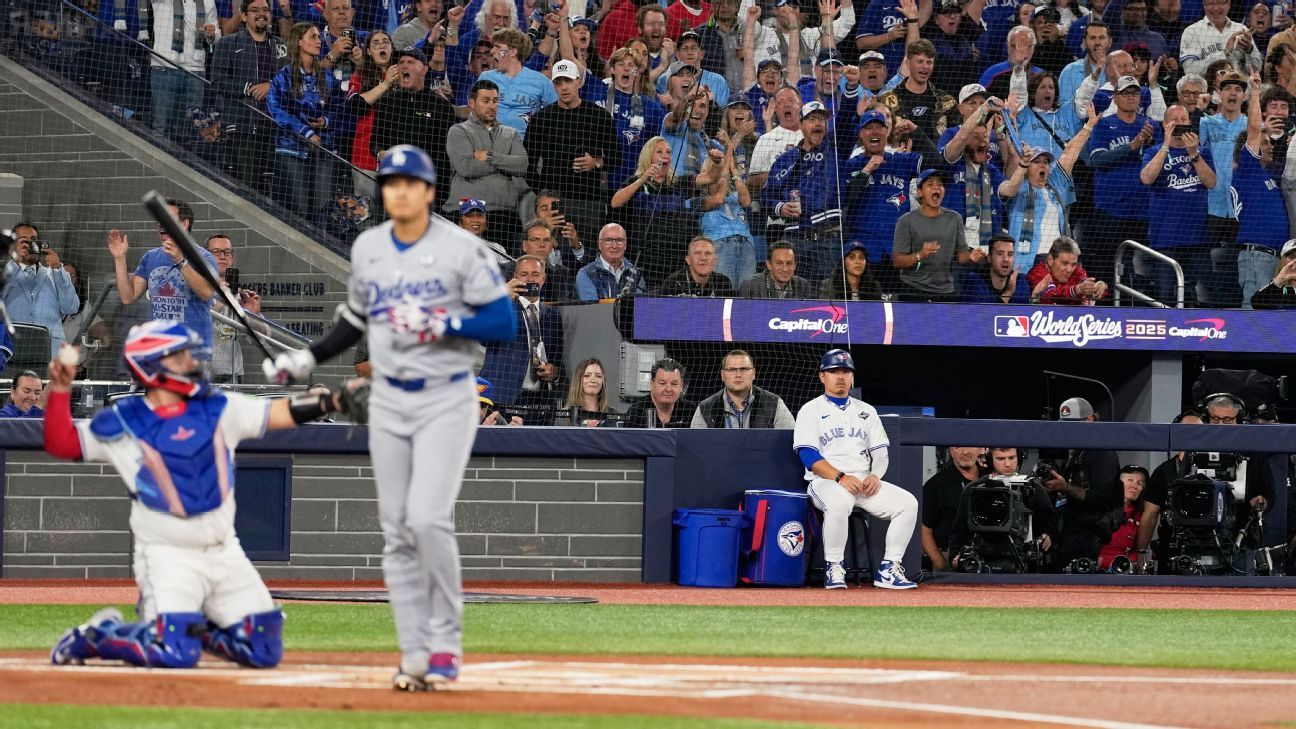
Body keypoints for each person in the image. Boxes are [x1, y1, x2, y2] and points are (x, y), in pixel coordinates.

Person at [263, 144, 516, 691]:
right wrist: (306, 357)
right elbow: (354, 319)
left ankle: (446, 641)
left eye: (410, 182)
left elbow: (502, 322)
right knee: (397, 531)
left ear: (429, 192)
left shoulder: (459, 248)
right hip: (389, 399)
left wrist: (437, 321)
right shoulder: (370, 246)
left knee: (427, 519)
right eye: (389, 183)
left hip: (447, 395)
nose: (399, 191)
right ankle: (415, 653)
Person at [45, 320, 360, 670]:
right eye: (178, 356)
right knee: (174, 654)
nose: (190, 363)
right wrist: (60, 390)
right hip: (168, 557)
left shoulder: (218, 406)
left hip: (225, 552)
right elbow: (62, 443)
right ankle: (98, 636)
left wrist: (336, 399)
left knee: (263, 650)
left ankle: (186, 630)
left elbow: (282, 411)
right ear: (152, 365)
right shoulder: (125, 421)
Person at [795, 349, 918, 590]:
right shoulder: (811, 410)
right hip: (826, 482)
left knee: (908, 503)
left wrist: (875, 475)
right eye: (833, 371)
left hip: (862, 482)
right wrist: (840, 477)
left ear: (852, 376)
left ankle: (889, 568)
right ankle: (834, 566)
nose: (840, 376)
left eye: (845, 371)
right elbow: (808, 456)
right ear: (822, 376)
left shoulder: (866, 411)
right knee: (839, 502)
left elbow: (881, 453)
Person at [107, 199, 219, 359]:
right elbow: (128, 296)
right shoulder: (151, 257)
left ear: (184, 224)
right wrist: (119, 258)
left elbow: (206, 293)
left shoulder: (204, 258)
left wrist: (181, 261)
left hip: (192, 353)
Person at [525, 59, 619, 244]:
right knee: (551, 254)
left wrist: (596, 163)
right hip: (553, 202)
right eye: (558, 82)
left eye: (567, 81)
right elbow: (528, 163)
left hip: (589, 201)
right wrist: (542, 193)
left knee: (587, 254)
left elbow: (617, 158)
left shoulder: (598, 116)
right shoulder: (541, 119)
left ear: (579, 81)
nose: (563, 87)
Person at [1084, 74, 1159, 284]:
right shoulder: (1103, 125)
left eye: (1135, 93)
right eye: (1125, 93)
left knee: (1141, 271)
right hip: (1111, 210)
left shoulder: (1151, 126)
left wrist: (1150, 143)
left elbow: (1161, 161)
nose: (1131, 97)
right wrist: (1132, 146)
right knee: (1108, 268)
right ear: (1115, 98)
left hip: (1143, 211)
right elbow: (1097, 160)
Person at [1138, 103, 1216, 304]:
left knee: (1203, 297)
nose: (1180, 124)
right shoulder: (1153, 151)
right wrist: (1165, 144)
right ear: (1165, 124)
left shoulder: (1203, 152)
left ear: (1190, 123)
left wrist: (1194, 153)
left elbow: (1211, 182)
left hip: (1198, 238)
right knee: (1165, 298)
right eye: (1175, 120)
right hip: (1165, 239)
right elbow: (1146, 178)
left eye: (1184, 120)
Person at [761, 101, 847, 283]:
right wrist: (780, 208)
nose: (818, 123)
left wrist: (851, 88)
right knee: (795, 295)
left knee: (827, 296)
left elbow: (847, 120)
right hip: (794, 239)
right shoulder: (785, 160)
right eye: (812, 119)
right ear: (800, 125)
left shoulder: (836, 150)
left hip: (828, 240)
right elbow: (766, 196)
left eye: (822, 119)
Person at [267, 22, 340, 228]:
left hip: (323, 148)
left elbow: (339, 109)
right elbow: (276, 109)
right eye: (313, 37)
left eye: (318, 37)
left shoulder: (326, 76)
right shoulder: (283, 76)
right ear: (299, 42)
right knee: (298, 209)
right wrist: (306, 132)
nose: (319, 42)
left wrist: (326, 121)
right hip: (291, 148)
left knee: (322, 210)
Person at [209, 0, 285, 197]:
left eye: (265, 10)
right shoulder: (228, 43)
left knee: (276, 191)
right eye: (254, 10)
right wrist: (249, 89)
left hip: (276, 129)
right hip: (243, 128)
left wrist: (271, 86)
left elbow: (292, 81)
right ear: (243, 16)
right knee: (248, 187)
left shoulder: (281, 46)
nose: (261, 14)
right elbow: (217, 81)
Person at [1038, 396, 1122, 572]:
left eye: (1073, 423)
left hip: (1089, 535)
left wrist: (1066, 488)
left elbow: (1103, 498)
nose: (1068, 430)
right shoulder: (1073, 451)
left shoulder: (1102, 453)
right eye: (1065, 424)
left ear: (1089, 420)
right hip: (1066, 532)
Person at [444, 79, 529, 250]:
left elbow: (521, 165)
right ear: (471, 103)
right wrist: (505, 164)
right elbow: (466, 167)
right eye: (486, 101)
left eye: (495, 101)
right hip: (466, 212)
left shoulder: (510, 133)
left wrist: (490, 156)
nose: (491, 106)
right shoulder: (459, 131)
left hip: (503, 214)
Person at [947, 446, 1059, 572]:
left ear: (1019, 458)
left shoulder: (1034, 489)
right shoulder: (974, 490)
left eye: (1011, 458)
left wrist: (1048, 537)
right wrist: (955, 559)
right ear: (990, 460)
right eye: (1000, 459)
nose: (1007, 464)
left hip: (1024, 564)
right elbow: (959, 533)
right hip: (983, 561)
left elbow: (1052, 526)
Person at [1233, 71, 1290, 307]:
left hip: (1272, 257)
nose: (1270, 147)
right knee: (1255, 315)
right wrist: (1255, 92)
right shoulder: (1248, 170)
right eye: (1265, 143)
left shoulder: (1267, 175)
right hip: (1257, 256)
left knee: (1269, 318)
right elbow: (1255, 129)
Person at [479, 255, 564, 407]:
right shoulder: (503, 307)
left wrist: (554, 372)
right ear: (515, 278)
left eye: (535, 274)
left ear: (543, 279)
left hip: (539, 402)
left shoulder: (553, 316)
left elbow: (557, 360)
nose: (530, 279)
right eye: (524, 274)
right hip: (501, 397)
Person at [609, 137, 695, 283]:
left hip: (674, 258)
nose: (665, 155)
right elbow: (615, 202)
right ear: (649, 156)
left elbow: (708, 179)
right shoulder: (634, 182)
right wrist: (642, 179)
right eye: (659, 152)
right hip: (644, 258)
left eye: (668, 152)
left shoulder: (678, 183)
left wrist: (718, 163)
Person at [892, 168, 985, 301]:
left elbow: (960, 256)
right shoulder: (906, 221)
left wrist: (970, 256)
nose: (936, 187)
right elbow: (897, 261)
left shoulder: (955, 218)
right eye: (930, 184)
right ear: (919, 192)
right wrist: (921, 254)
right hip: (913, 289)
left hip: (945, 291)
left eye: (940, 184)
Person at [371, 47, 457, 186]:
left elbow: (445, 153)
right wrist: (380, 154)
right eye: (401, 62)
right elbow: (375, 141)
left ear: (424, 69)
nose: (404, 65)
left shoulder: (440, 105)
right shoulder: (387, 102)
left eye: (411, 62)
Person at [1133, 410, 1202, 572]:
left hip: (1208, 545)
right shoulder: (1164, 471)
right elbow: (1149, 516)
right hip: (1170, 545)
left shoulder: (1217, 466)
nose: (1192, 434)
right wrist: (1140, 554)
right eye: (1186, 429)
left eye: (1198, 429)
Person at [148, 0, 220, 141]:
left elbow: (216, 35)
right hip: (164, 66)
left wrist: (211, 35)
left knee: (191, 129)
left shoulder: (208, 2)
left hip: (195, 71)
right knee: (161, 128)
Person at [3, 223, 79, 356]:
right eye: (24, 240)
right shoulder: (5, 273)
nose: (30, 244)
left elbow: (71, 307)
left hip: (51, 351)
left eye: (33, 239)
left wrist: (57, 269)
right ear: (14, 245)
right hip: (13, 351)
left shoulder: (54, 273)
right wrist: (15, 262)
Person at [205, 235, 266, 384]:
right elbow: (192, 323)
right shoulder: (196, 289)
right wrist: (220, 300)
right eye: (216, 252)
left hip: (233, 378)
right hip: (202, 378)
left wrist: (254, 315)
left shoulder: (240, 297)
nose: (222, 256)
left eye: (227, 252)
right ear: (205, 256)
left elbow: (263, 338)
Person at [877, 38, 955, 148]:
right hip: (899, 160)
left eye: (929, 62)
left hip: (935, 161)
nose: (925, 66)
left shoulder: (947, 101)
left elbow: (956, 136)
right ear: (908, 63)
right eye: (920, 61)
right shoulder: (885, 100)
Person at [479, 28, 558, 137]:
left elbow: (556, 115)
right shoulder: (486, 78)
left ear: (512, 52)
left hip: (525, 149)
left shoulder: (541, 82)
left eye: (497, 47)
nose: (492, 51)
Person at [690, 349, 795, 429]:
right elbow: (695, 447)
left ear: (753, 373)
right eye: (732, 370)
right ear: (722, 375)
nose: (738, 374)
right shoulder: (705, 408)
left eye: (744, 369)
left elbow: (790, 441)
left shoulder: (774, 403)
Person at [920, 446, 984, 571]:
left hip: (989, 557)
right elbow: (923, 528)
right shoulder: (936, 484)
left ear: (980, 448)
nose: (965, 452)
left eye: (970, 446)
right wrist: (939, 563)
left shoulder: (992, 478)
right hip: (950, 558)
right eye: (958, 447)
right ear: (950, 450)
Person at [1180, 0, 1262, 78]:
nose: (1216, 8)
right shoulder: (1192, 31)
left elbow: (1256, 69)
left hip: (1241, 90)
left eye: (1220, 2)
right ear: (1204, 4)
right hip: (1209, 91)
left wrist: (1249, 50)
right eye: (1211, 3)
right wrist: (1225, 52)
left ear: (1228, 3)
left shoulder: (1241, 28)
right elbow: (1190, 71)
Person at [1026, 236, 1110, 305]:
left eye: (1073, 264)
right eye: (1065, 263)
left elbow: (1086, 285)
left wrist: (1099, 287)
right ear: (1051, 260)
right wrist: (1077, 290)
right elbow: (1051, 296)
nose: (1069, 270)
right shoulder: (1038, 273)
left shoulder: (1077, 271)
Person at [575, 223, 648, 300]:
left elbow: (640, 308)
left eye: (619, 240)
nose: (614, 246)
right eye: (608, 240)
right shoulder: (586, 273)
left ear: (625, 245)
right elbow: (592, 309)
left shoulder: (636, 274)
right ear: (599, 244)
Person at [1096, 465, 1146, 572]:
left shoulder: (1140, 516)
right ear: (1119, 483)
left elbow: (1137, 551)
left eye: (1139, 483)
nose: (1134, 486)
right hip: (1097, 567)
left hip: (1124, 570)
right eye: (1130, 480)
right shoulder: (1100, 508)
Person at [979, 26, 1043, 106]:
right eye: (1018, 45)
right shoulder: (993, 73)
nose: (1023, 50)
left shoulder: (1041, 75)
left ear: (1034, 48)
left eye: (1028, 46)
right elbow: (978, 102)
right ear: (1008, 47)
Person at [961, 234, 1033, 303]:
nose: (1006, 259)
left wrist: (1035, 296)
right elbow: (984, 314)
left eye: (1010, 254)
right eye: (1000, 254)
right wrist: (1008, 293)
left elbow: (1027, 313)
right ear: (989, 258)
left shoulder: (1020, 282)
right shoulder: (974, 282)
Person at [626, 357, 695, 428]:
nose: (668, 389)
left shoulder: (690, 410)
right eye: (662, 383)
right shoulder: (636, 411)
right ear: (651, 384)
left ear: (681, 386)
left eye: (674, 384)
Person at [659, 236, 736, 297]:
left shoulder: (723, 282)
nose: (703, 258)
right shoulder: (673, 282)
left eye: (708, 253)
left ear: (714, 260)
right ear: (688, 260)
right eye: (697, 253)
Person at [738, 240, 817, 298]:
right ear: (769, 264)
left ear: (795, 265)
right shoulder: (751, 285)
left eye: (789, 263)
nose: (785, 269)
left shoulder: (803, 285)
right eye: (779, 263)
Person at [1059, 19, 1110, 107]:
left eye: (1102, 37)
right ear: (1085, 42)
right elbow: (1063, 107)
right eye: (1092, 38)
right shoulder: (1070, 71)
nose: (1097, 42)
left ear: (1110, 41)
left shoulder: (1119, 69)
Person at [818, 240, 883, 300]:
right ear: (843, 262)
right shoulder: (828, 285)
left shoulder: (874, 287)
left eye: (861, 257)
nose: (858, 262)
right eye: (852, 257)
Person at [565, 357, 618, 426]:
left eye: (598, 376)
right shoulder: (564, 416)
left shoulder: (613, 415)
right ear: (578, 380)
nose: (593, 380)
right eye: (587, 376)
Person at [1250, 239, 1296, 308]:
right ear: (1283, 261)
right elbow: (1256, 304)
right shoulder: (1275, 290)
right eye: (1292, 257)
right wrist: (1277, 282)